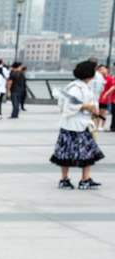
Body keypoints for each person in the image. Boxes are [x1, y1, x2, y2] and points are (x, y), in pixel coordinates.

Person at [51, 60, 105, 190]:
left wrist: (92, 107)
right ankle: (65, 179)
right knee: (68, 153)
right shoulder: (76, 88)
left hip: (82, 124)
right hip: (74, 125)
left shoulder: (83, 86)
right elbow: (69, 106)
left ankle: (84, 179)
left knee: (86, 152)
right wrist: (88, 106)